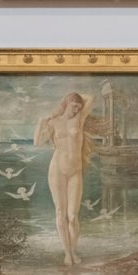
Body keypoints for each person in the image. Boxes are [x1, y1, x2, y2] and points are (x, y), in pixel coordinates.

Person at [34, 92, 95, 266]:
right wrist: (41, 122)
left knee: (73, 216)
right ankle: (67, 253)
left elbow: (91, 98)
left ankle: (74, 249)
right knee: (60, 213)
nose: (76, 109)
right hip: (57, 170)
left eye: (78, 106)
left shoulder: (79, 119)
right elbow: (37, 142)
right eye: (73, 105)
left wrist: (76, 97)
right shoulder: (53, 122)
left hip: (75, 171)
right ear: (67, 103)